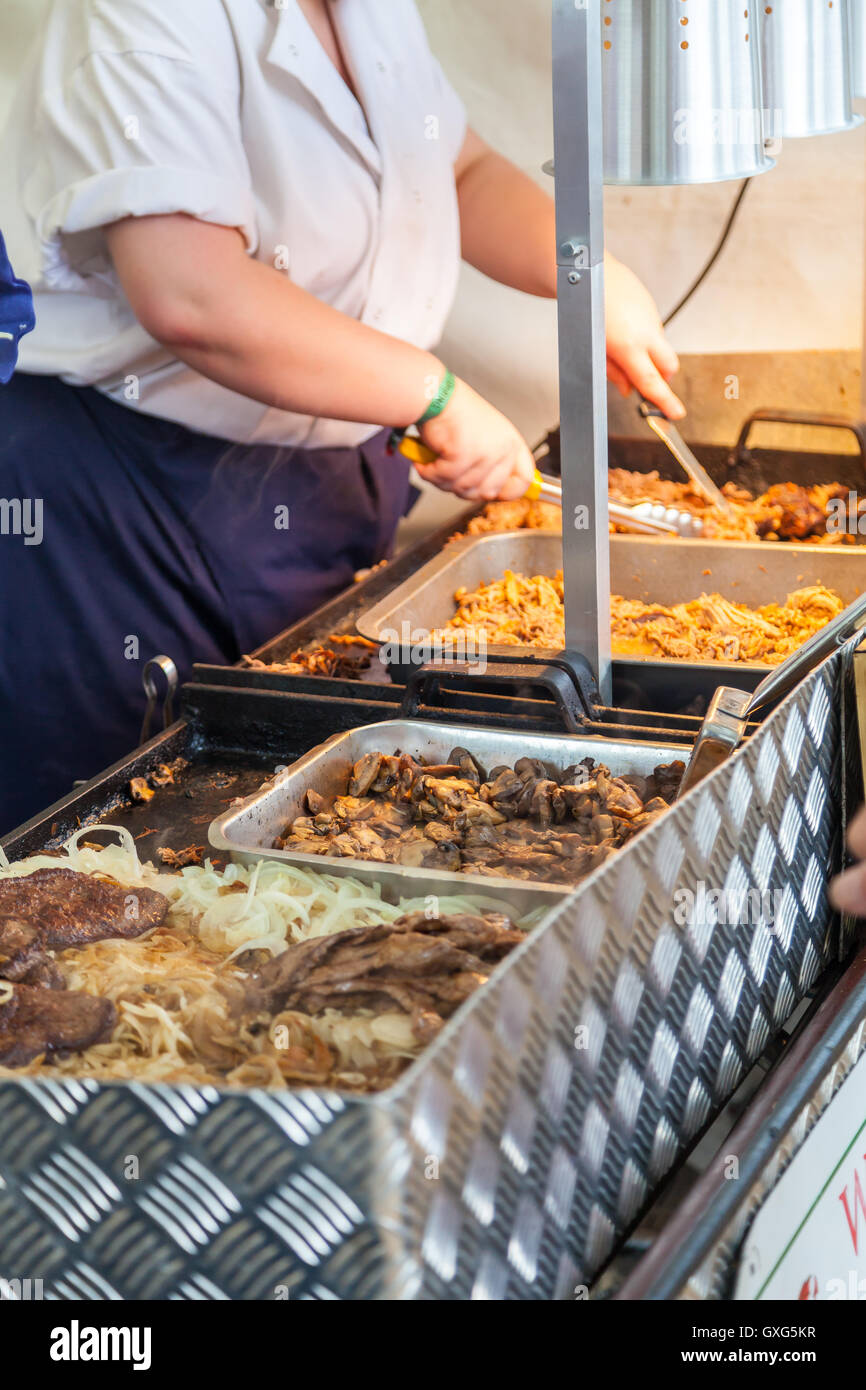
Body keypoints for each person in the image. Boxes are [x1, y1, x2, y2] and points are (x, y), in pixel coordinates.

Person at [0, 0, 683, 831]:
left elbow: (455, 169)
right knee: (123, 833)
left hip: (318, 485)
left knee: (311, 807)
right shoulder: (140, 15)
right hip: (117, 501)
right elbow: (191, 293)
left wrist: (586, 268)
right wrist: (433, 394)